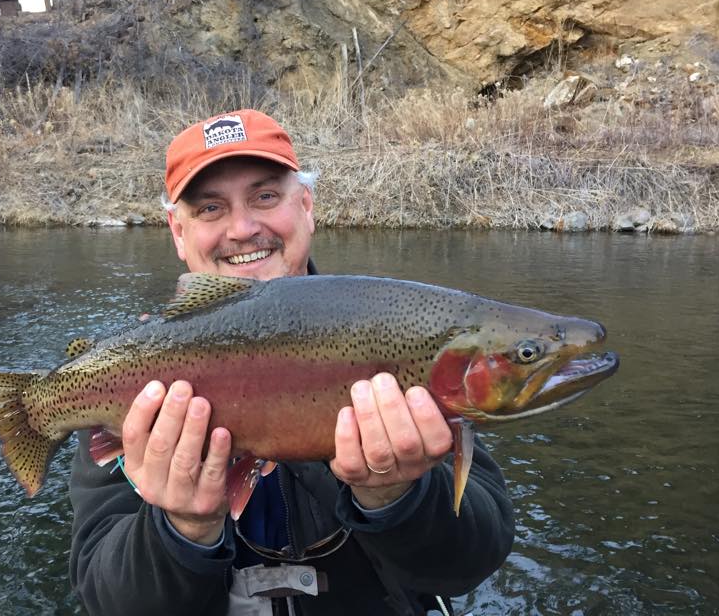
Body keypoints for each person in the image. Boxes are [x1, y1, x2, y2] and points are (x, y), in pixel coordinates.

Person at [69, 109, 515, 615]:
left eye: (265, 196)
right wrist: (183, 531)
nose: (242, 228)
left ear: (306, 205)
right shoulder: (134, 378)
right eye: (210, 208)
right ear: (177, 231)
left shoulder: (394, 335)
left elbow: (471, 561)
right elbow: (106, 600)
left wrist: (396, 496)